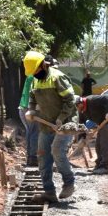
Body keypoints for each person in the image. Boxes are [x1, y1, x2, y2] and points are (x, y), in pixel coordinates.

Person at [23, 51, 78, 202]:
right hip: (47, 124)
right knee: (42, 156)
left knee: (57, 152)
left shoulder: (57, 77)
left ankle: (69, 183)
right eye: (32, 72)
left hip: (66, 122)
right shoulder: (35, 80)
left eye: (36, 70)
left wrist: (61, 118)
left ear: (44, 65)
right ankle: (49, 192)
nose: (35, 74)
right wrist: (31, 110)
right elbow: (32, 97)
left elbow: (70, 100)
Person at [75, 94, 108, 175]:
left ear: (80, 103)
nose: (76, 109)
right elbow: (82, 123)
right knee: (98, 145)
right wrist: (82, 138)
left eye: (76, 107)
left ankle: (104, 167)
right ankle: (99, 165)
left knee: (106, 144)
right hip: (101, 123)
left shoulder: (92, 99)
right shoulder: (81, 110)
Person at [18, 74, 38, 167]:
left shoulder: (30, 76)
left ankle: (31, 157)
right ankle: (32, 158)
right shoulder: (35, 77)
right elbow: (33, 93)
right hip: (28, 108)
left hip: (23, 107)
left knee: (30, 132)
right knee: (34, 132)